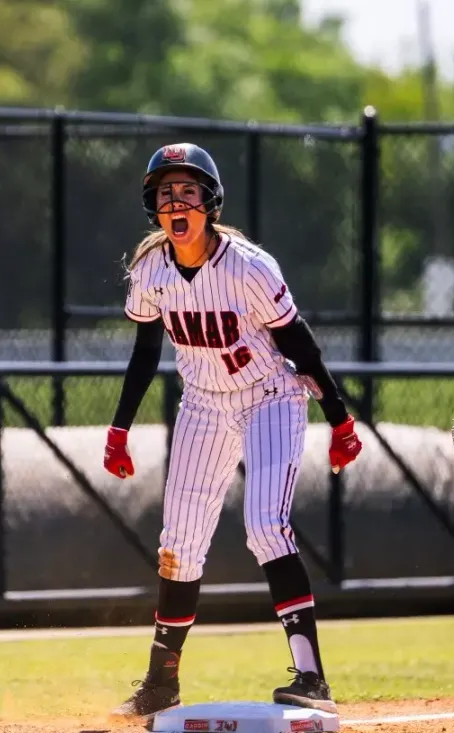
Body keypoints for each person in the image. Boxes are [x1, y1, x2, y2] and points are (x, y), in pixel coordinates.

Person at [104, 143, 363, 722]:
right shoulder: (150, 269)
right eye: (166, 192)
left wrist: (340, 417)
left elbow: (298, 343)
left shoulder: (248, 266)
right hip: (202, 403)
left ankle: (312, 677)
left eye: (188, 190)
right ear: (154, 204)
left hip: (270, 395)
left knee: (265, 527)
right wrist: (118, 429)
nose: (177, 201)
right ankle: (160, 682)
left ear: (210, 201)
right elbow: (146, 353)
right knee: (179, 544)